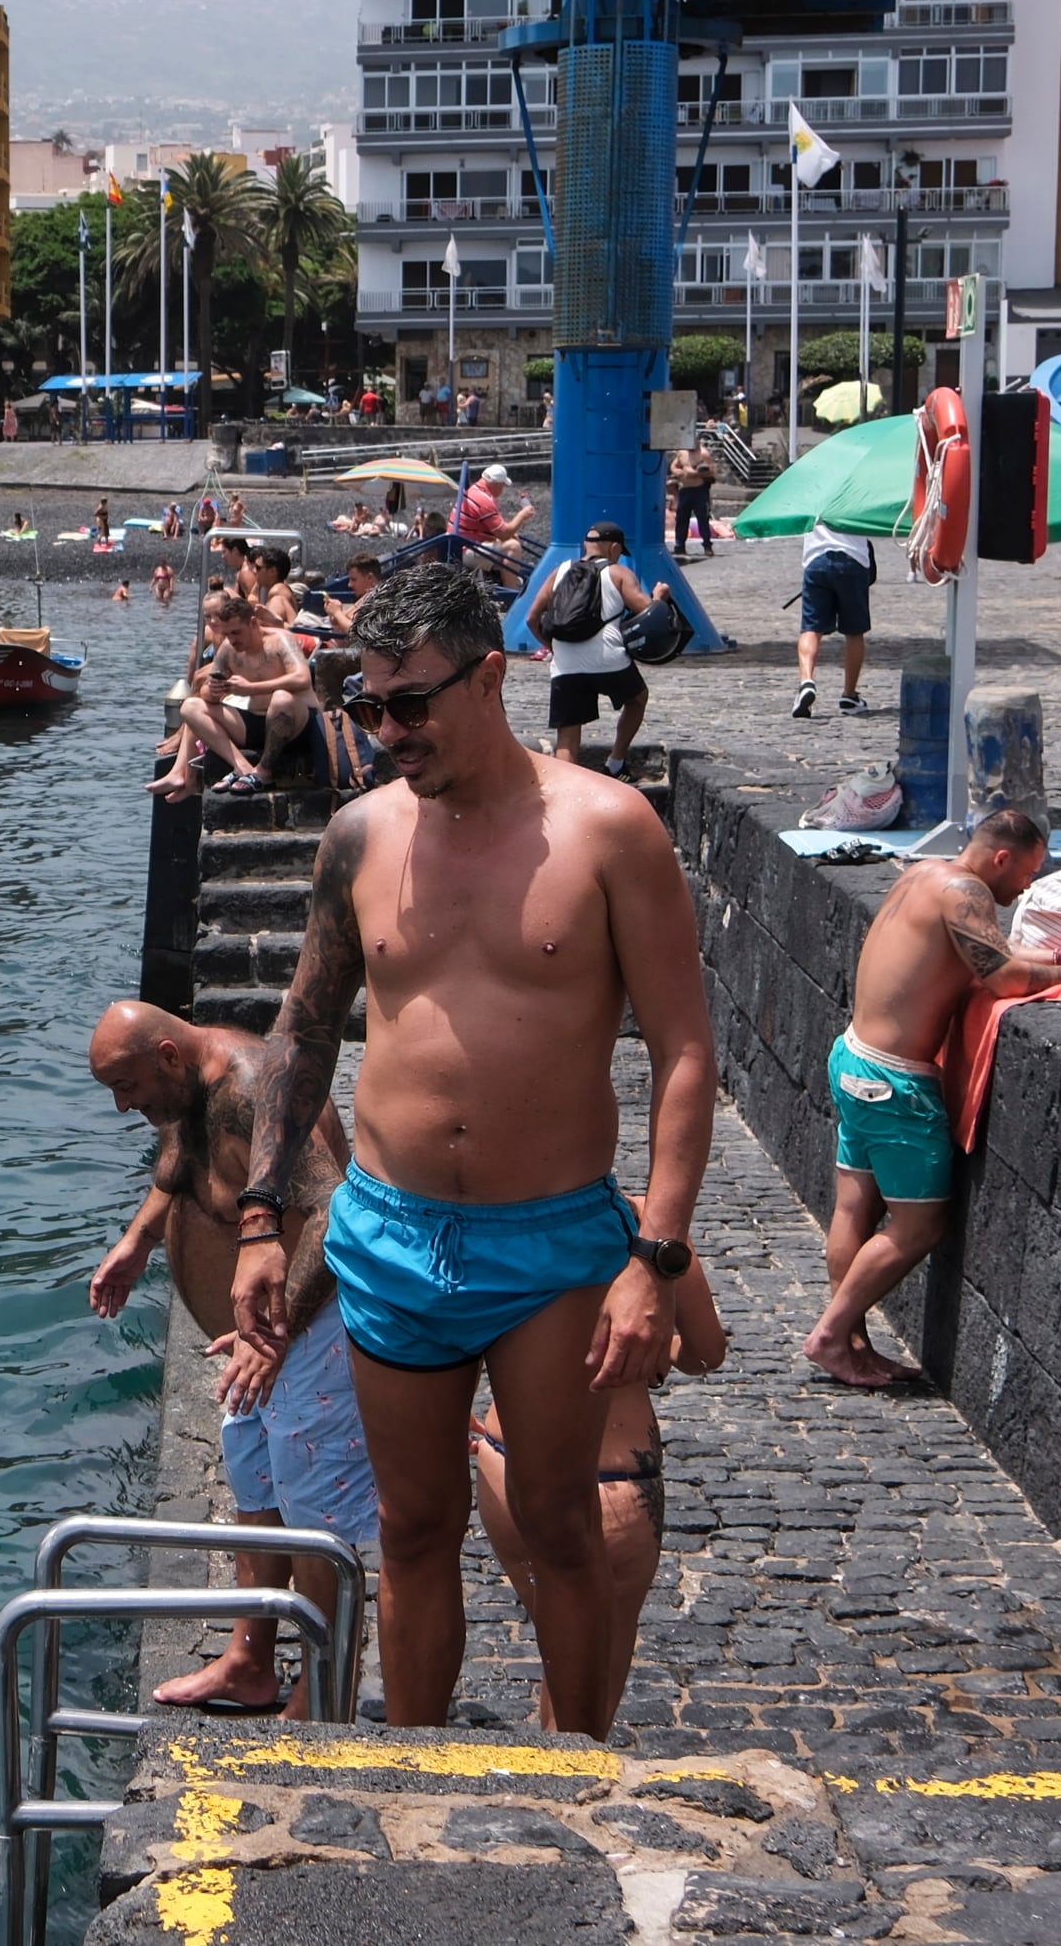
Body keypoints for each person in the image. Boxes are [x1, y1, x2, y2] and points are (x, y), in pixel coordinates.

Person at [231, 562, 717, 1741]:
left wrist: (652, 1257)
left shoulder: (606, 830)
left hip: (547, 1242)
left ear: (491, 675)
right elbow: (300, 1029)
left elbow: (685, 1049)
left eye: (412, 703)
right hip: (390, 1235)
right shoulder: (359, 835)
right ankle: (416, 1770)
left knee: (556, 1522)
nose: (388, 731)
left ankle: (579, 1766)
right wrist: (258, 1219)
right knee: (407, 1527)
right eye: (367, 704)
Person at [83, 1001, 368, 1715]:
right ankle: (251, 1660)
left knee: (314, 1514)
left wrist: (273, 1333)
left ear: (170, 1055)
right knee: (257, 1486)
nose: (123, 1106)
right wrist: (138, 1240)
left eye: (130, 1088)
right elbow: (178, 1167)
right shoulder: (187, 1094)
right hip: (256, 1335)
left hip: (313, 1326)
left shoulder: (250, 1090)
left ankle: (323, 1688)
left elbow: (335, 1211)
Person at [802, 810, 1061, 1389]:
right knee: (920, 1224)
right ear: (1002, 858)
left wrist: (1058, 959)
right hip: (893, 1082)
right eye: (1027, 873)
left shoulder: (926, 875)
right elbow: (1003, 980)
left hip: (854, 1056)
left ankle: (853, 1344)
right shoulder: (966, 892)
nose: (1024, 888)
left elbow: (985, 958)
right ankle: (830, 1335)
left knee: (854, 1209)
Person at [471, 1255, 725, 1732]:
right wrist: (653, 1346)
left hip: (508, 1460)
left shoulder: (517, 1210)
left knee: (560, 1640)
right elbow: (706, 1353)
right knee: (587, 1693)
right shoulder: (652, 1230)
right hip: (613, 1483)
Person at [150, 591, 318, 801]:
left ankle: (264, 771)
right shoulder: (229, 649)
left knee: (281, 698)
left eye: (237, 633)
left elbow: (303, 678)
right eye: (228, 634)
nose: (232, 640)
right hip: (257, 722)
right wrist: (212, 691)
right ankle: (242, 766)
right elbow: (206, 692)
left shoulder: (280, 640)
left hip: (297, 723)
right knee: (191, 706)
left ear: (253, 623)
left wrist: (252, 688)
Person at [529, 522, 660, 776]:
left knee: (567, 733)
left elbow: (531, 618)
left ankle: (566, 789)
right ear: (613, 547)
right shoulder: (618, 572)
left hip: (565, 663)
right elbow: (647, 611)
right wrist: (660, 596)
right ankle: (615, 763)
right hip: (608, 659)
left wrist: (551, 646)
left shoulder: (559, 571)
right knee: (637, 698)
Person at [792, 512, 878, 718]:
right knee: (854, 632)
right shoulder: (858, 491)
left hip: (816, 559)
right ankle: (849, 695)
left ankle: (806, 682)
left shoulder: (816, 489)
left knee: (811, 628)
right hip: (853, 559)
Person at [665, 442, 719, 563]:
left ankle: (707, 545)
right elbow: (674, 466)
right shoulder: (682, 452)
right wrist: (678, 471)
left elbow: (711, 471)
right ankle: (680, 545)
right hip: (685, 489)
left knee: (703, 519)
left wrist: (693, 472)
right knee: (681, 519)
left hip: (699, 489)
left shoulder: (704, 454)